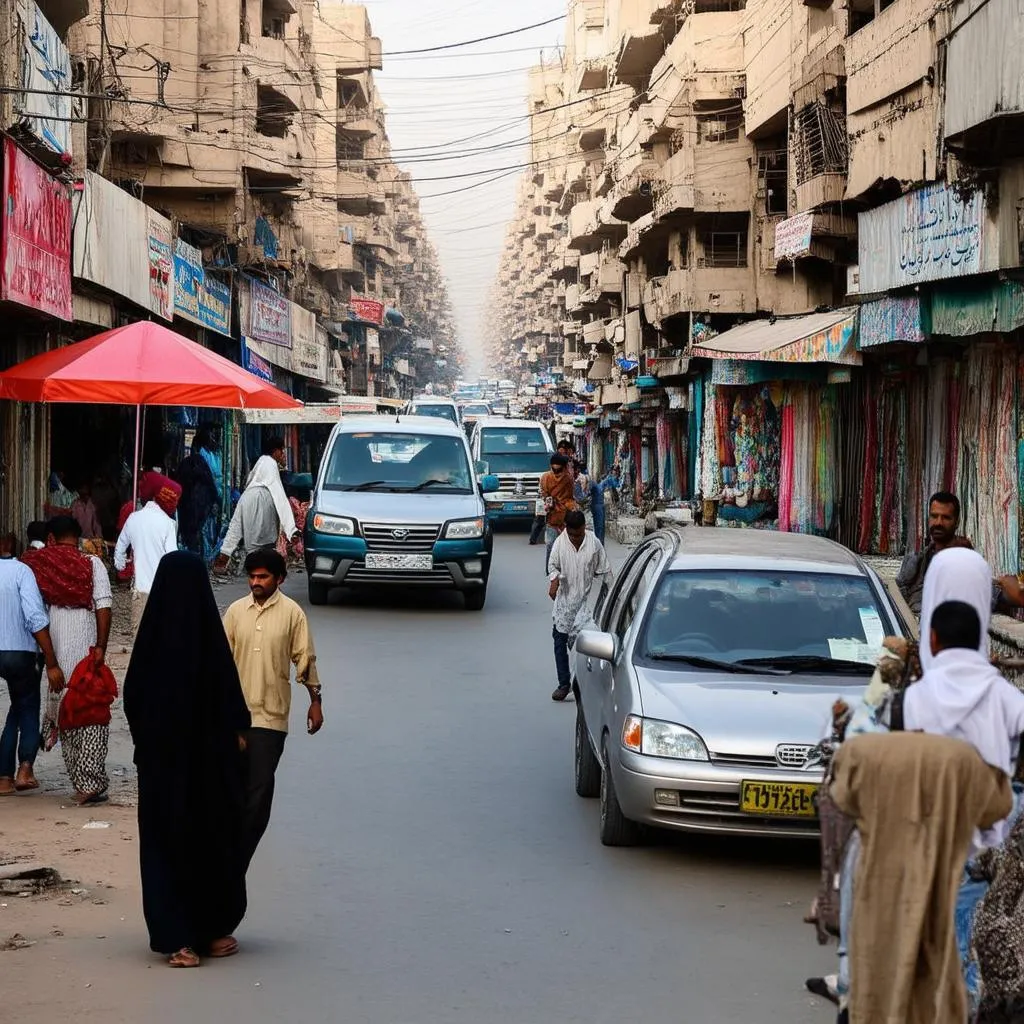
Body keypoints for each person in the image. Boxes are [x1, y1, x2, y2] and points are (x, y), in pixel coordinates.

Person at [123, 552, 251, 968]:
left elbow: (133, 698)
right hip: (175, 765)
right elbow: (232, 704)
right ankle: (178, 937)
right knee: (191, 839)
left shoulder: (164, 643)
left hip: (188, 764)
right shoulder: (201, 640)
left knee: (195, 839)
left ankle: (209, 929)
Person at [831, 732, 1011, 1024]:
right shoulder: (963, 759)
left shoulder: (861, 750)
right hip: (933, 895)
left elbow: (841, 798)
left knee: (871, 984)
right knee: (932, 985)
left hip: (877, 896)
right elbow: (998, 806)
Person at [222, 549, 323, 869]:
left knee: (260, 792)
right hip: (234, 717)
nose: (256, 582)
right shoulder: (236, 612)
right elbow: (220, 664)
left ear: (279, 579)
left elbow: (304, 659)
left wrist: (315, 701)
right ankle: (225, 851)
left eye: (263, 577)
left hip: (271, 717)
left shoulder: (293, 614)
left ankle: (239, 856)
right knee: (230, 787)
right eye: (252, 577)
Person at [22, 516, 113, 804]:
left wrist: (47, 660)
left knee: (64, 712)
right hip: (85, 649)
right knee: (88, 712)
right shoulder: (92, 564)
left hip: (53, 650)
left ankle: (84, 781)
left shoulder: (38, 563)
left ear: (51, 538)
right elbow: (104, 604)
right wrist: (100, 646)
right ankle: (90, 781)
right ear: (79, 536)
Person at [0, 532, 63, 795]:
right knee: (26, 706)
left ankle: (3, 777)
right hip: (19, 651)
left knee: (17, 707)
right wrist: (51, 661)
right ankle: (24, 768)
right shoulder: (21, 572)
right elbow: (35, 618)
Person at [547, 510, 610, 702]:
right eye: (572, 535)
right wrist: (554, 579)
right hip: (565, 602)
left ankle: (592, 682)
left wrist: (609, 596)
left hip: (586, 601)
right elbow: (552, 566)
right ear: (567, 530)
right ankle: (564, 683)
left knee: (591, 645)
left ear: (584, 528)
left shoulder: (594, 544)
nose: (575, 538)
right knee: (559, 640)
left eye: (579, 534)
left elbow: (604, 572)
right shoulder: (559, 544)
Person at [114, 474, 180, 635]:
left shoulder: (133, 518)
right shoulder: (167, 523)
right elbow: (172, 557)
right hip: (162, 590)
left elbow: (119, 549)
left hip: (140, 589)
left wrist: (121, 564)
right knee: (161, 636)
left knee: (139, 638)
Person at [215, 455, 298, 570]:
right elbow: (283, 509)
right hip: (269, 549)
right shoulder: (274, 494)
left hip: (251, 553)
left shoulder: (245, 496)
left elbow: (235, 526)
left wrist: (225, 553)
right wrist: (292, 531)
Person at [896, 491, 972, 614]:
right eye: (934, 516)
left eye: (946, 517)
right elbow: (897, 600)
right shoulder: (915, 562)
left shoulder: (966, 561)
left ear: (957, 522)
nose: (938, 523)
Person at [175, 435, 220, 564]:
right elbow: (210, 484)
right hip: (199, 506)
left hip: (187, 506)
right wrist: (216, 500)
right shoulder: (202, 463)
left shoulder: (187, 463)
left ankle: (192, 560)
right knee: (198, 534)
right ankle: (198, 561)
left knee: (189, 535)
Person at [540, 453, 577, 573]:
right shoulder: (545, 477)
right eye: (554, 470)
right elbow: (544, 495)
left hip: (565, 517)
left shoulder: (568, 479)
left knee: (566, 546)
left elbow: (570, 497)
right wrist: (548, 502)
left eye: (559, 470)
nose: (556, 473)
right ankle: (550, 571)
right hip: (552, 517)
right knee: (551, 545)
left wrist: (571, 508)